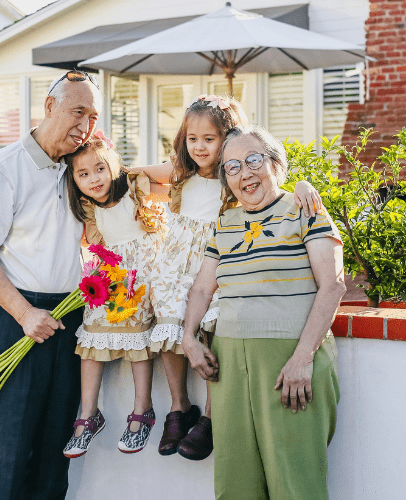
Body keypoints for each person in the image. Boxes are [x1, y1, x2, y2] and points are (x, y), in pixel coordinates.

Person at [133, 94, 323, 461]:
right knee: (169, 319)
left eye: (210, 139)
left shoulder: (234, 178)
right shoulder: (180, 177)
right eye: (192, 139)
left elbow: (274, 181)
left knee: (216, 322)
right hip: (176, 265)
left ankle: (209, 414)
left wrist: (302, 185)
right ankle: (178, 406)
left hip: (219, 264)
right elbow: (136, 176)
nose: (200, 147)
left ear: (228, 138)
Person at [182, 125, 346, 499]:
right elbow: (203, 288)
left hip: (290, 362)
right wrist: (188, 337)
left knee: (295, 482)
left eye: (253, 160)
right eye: (233, 167)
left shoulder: (305, 210)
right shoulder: (223, 224)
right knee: (235, 483)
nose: (245, 173)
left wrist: (303, 359)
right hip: (228, 366)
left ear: (275, 163)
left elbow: (333, 285)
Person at [0, 70, 102, 500]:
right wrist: (25, 314)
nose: (86, 125)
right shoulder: (3, 168)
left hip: (68, 322)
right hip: (14, 321)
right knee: (4, 452)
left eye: (93, 117)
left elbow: (148, 181)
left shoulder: (78, 169)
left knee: (51, 454)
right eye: (78, 112)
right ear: (48, 106)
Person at [62, 133, 167, 457]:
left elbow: (177, 172)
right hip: (111, 276)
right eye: (83, 174)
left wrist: (136, 171)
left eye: (100, 169)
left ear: (113, 167)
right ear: (74, 180)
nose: (93, 179)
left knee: (137, 332)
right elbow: (92, 246)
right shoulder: (87, 209)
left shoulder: (134, 187)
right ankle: (88, 415)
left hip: (145, 276)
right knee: (91, 332)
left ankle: (142, 411)